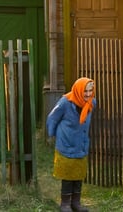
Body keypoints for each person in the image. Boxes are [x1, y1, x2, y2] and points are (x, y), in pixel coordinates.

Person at [46, 77, 96, 212]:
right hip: (66, 145)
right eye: (85, 91)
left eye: (90, 91)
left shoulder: (91, 103)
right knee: (68, 177)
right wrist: (52, 135)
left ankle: (76, 203)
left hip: (81, 145)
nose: (87, 94)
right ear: (79, 90)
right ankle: (65, 204)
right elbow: (52, 117)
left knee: (78, 175)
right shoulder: (65, 102)